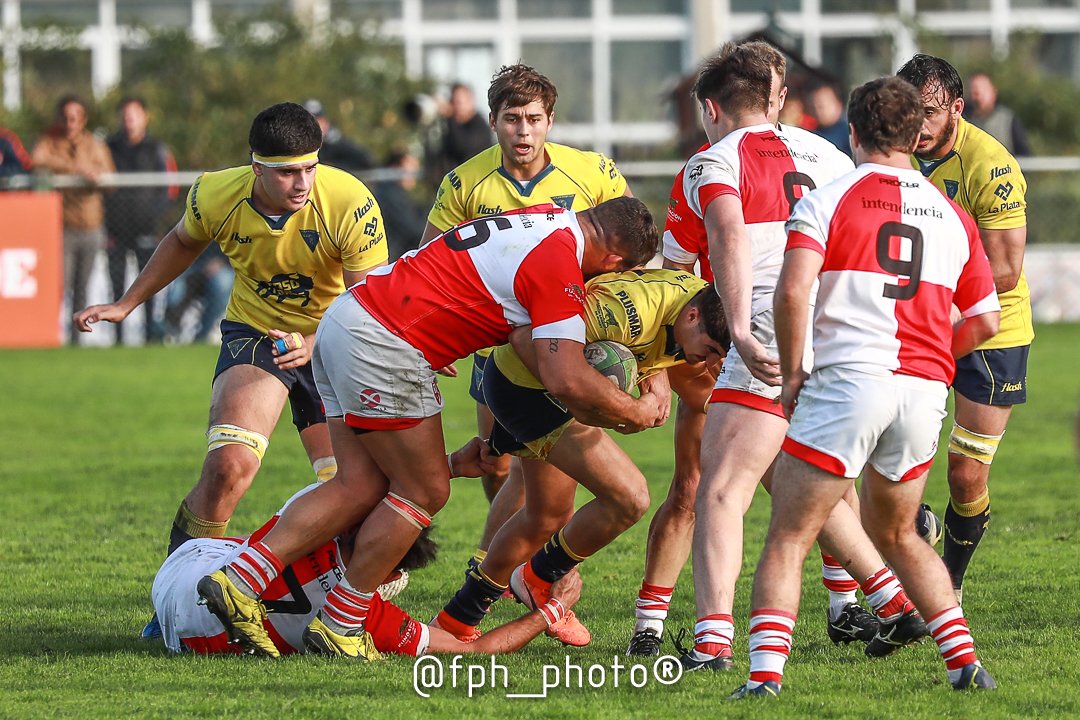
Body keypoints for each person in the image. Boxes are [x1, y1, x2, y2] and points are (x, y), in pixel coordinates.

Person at [196, 197, 664, 660]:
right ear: (614, 261)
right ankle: (341, 622)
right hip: (388, 338)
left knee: (358, 485)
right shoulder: (559, 260)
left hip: (349, 316)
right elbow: (564, 376)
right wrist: (635, 412)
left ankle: (239, 580)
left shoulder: (545, 215)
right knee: (424, 491)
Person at [729, 76, 1001, 699]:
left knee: (791, 532)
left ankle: (764, 679)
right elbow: (985, 318)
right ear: (916, 135)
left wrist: (795, 373)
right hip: (923, 392)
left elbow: (794, 290)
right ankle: (966, 665)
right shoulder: (954, 215)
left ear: (850, 132)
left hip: (851, 378)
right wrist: (932, 359)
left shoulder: (829, 198)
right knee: (900, 534)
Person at [73, 102, 388, 635]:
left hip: (337, 336)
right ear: (256, 167)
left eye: (310, 167)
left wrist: (315, 340)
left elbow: (370, 300)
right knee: (228, 469)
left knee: (349, 486)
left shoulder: (350, 200)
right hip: (256, 333)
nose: (302, 182)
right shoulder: (216, 193)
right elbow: (181, 242)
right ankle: (173, 598)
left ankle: (333, 606)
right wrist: (126, 304)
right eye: (287, 171)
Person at [679, 43, 928, 672]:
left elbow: (728, 233)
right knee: (791, 482)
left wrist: (736, 324)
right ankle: (893, 600)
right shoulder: (829, 152)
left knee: (721, 490)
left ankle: (713, 643)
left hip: (768, 317)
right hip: (836, 325)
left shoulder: (714, 159)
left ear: (712, 108)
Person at [420, 63, 633, 588]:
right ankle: (509, 563)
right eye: (512, 119)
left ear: (550, 120)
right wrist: (432, 341)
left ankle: (501, 571)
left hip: (566, 342)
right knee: (498, 463)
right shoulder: (466, 183)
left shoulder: (593, 173)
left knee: (534, 461)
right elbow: (428, 262)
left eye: (534, 119)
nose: (524, 131)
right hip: (495, 346)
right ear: (493, 122)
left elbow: (627, 248)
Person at [435, 268, 729, 648]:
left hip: (539, 387)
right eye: (708, 351)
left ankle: (457, 619)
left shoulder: (698, 303)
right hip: (527, 386)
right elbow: (527, 336)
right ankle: (538, 578)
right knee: (629, 497)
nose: (707, 364)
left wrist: (653, 384)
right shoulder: (625, 313)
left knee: (545, 517)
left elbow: (653, 349)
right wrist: (625, 410)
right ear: (692, 317)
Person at [898, 55, 1032, 606]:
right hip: (919, 321)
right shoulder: (897, 154)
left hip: (991, 330)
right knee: (886, 444)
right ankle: (914, 532)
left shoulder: (990, 164)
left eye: (928, 113)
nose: (918, 125)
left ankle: (948, 581)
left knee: (964, 474)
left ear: (957, 108)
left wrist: (930, 302)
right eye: (909, 112)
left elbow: (1005, 270)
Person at [32, 95, 116, 341]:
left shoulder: (95, 145)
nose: (70, 123)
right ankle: (49, 335)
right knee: (59, 284)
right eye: (66, 118)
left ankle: (75, 339)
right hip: (61, 227)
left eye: (75, 118)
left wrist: (95, 175)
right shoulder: (49, 142)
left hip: (91, 226)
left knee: (82, 287)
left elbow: (110, 176)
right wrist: (76, 169)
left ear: (83, 119)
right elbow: (37, 160)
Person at [104, 96, 178, 345]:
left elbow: (170, 188)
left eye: (134, 114)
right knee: (117, 285)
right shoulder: (109, 147)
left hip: (147, 228)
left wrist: (156, 219)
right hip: (116, 228)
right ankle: (117, 339)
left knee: (147, 284)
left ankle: (149, 337)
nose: (129, 120)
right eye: (125, 115)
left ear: (145, 117)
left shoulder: (157, 149)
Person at [429, 82, 494, 182]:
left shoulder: (480, 125)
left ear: (471, 101)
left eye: (458, 102)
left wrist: (450, 117)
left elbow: (463, 147)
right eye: (452, 102)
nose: (455, 107)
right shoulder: (451, 126)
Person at [371, 149, 426, 261]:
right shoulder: (388, 195)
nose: (415, 173)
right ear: (396, 168)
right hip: (389, 262)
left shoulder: (394, 193)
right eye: (411, 167)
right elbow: (413, 230)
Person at [964, 72, 1033, 157]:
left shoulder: (1008, 119)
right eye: (973, 91)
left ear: (993, 91)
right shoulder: (961, 121)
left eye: (983, 89)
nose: (978, 95)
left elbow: (1025, 155)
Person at [303, 99, 375, 174]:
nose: (312, 125)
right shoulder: (298, 146)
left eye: (318, 121)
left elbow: (366, 161)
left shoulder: (338, 144)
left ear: (326, 122)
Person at [808, 81, 851, 157]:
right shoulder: (811, 134)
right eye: (813, 107)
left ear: (838, 103)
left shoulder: (850, 132)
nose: (817, 111)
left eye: (821, 106)